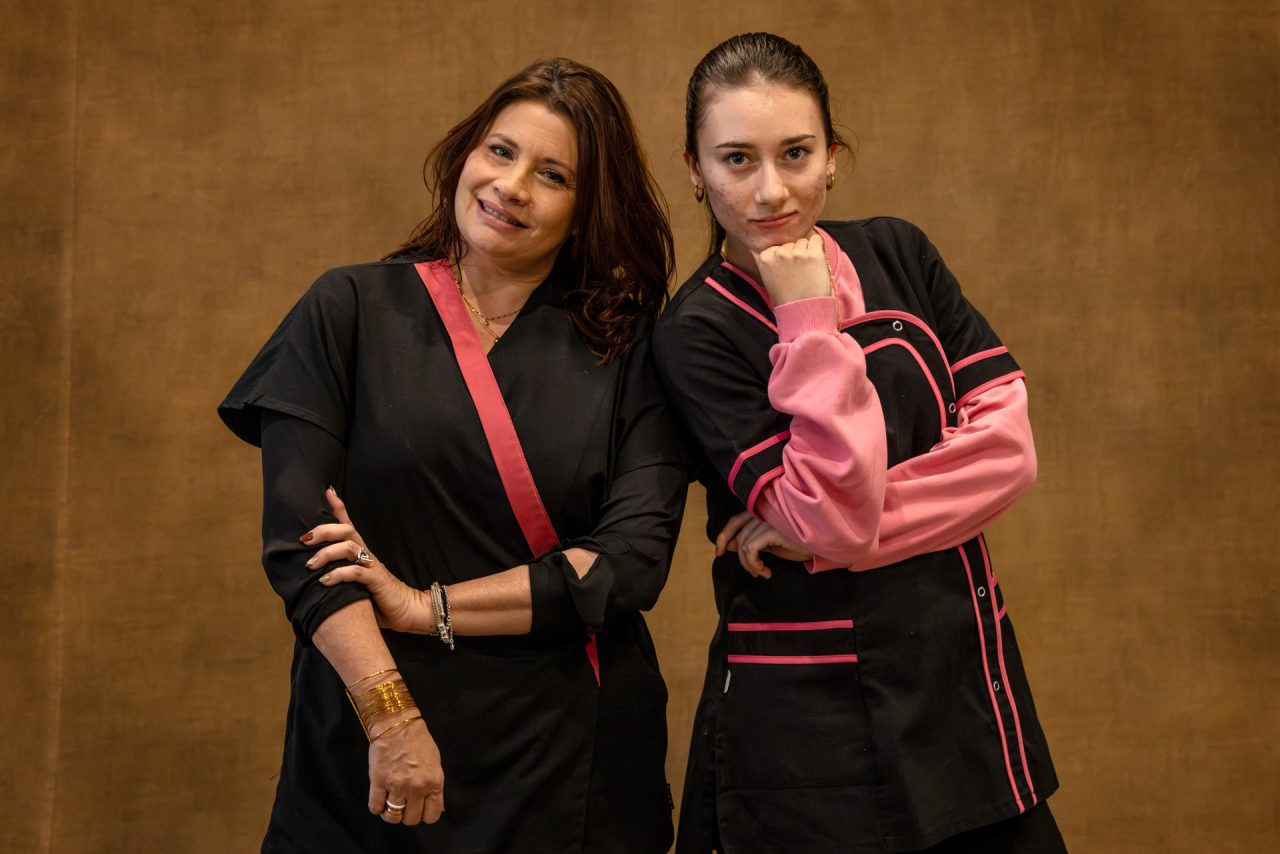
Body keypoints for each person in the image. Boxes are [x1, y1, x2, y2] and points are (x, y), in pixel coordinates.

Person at [219, 58, 689, 853]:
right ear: (466, 153)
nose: (511, 187)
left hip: (566, 758)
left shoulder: (630, 348)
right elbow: (302, 543)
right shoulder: (349, 308)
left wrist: (422, 606)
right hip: (369, 744)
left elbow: (629, 564)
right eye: (500, 152)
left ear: (587, 211)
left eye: (552, 175)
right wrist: (390, 716)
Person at [652, 32, 1064, 853]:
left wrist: (828, 536)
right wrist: (807, 317)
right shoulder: (696, 331)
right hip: (808, 723)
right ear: (694, 169)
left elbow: (1009, 454)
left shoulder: (899, 252)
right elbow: (836, 515)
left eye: (795, 153)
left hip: (961, 682)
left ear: (832, 157)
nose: (771, 190)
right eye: (736, 160)